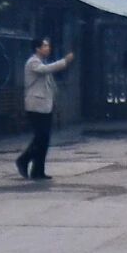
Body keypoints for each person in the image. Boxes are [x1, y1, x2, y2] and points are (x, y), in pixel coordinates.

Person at [15, 37, 73, 181]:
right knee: (40, 137)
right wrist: (64, 61)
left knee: (44, 139)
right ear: (37, 48)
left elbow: (49, 84)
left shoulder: (42, 61)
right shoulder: (33, 62)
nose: (48, 48)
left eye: (48, 46)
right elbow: (46, 70)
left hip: (45, 105)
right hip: (36, 105)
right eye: (45, 46)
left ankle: (38, 170)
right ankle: (23, 160)